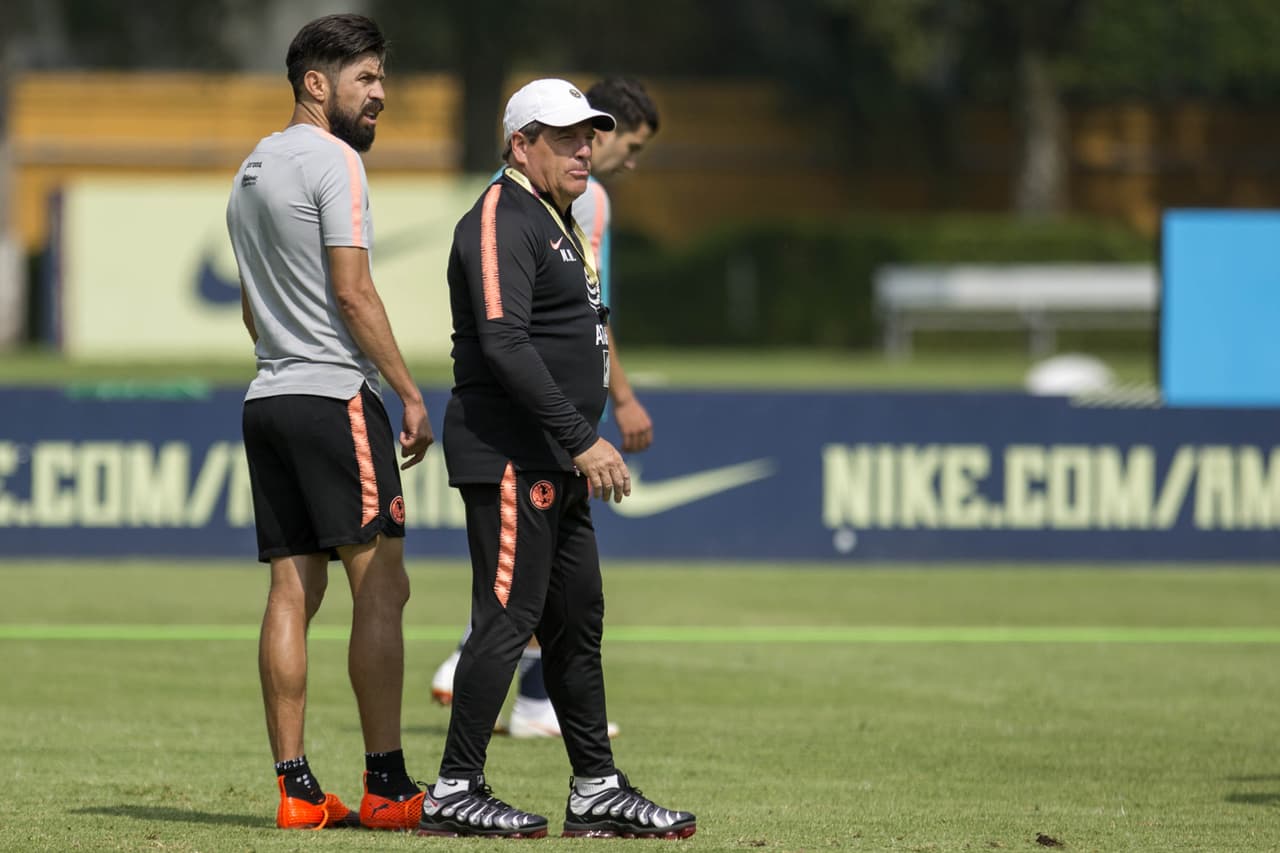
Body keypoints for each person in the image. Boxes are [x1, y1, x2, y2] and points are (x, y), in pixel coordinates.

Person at [416, 78, 695, 839]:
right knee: (508, 619)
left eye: (588, 133)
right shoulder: (500, 216)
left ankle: (596, 787)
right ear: (521, 144)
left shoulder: (557, 217)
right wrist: (580, 435)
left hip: (552, 457)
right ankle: (454, 788)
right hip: (511, 453)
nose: (584, 147)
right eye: (565, 136)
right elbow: (503, 342)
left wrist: (575, 438)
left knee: (577, 620)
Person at [225, 13, 432, 832]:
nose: (381, 94)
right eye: (367, 80)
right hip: (332, 395)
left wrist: (287, 354)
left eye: (381, 78)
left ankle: (296, 788)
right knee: (382, 584)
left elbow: (251, 305)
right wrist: (409, 391)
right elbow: (353, 293)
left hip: (268, 396)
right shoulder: (335, 161)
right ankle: (387, 785)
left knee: (291, 587)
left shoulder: (251, 168)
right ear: (317, 83)